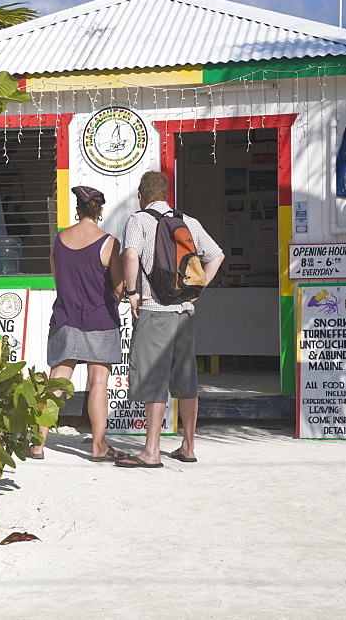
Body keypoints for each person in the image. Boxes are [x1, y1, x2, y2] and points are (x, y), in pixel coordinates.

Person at [116, 171, 224, 468]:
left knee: (154, 377)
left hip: (155, 309)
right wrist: (197, 289)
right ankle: (188, 446)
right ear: (166, 194)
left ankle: (151, 451)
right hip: (184, 312)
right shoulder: (189, 221)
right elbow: (216, 256)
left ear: (141, 195)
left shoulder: (138, 220)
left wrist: (132, 292)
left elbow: (130, 255)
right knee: (186, 379)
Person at [28, 185, 127, 462]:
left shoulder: (59, 239)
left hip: (65, 317)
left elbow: (58, 279)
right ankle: (98, 447)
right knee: (98, 383)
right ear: (100, 211)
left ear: (78, 209)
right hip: (100, 318)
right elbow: (119, 287)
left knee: (56, 382)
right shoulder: (109, 242)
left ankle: (38, 444)